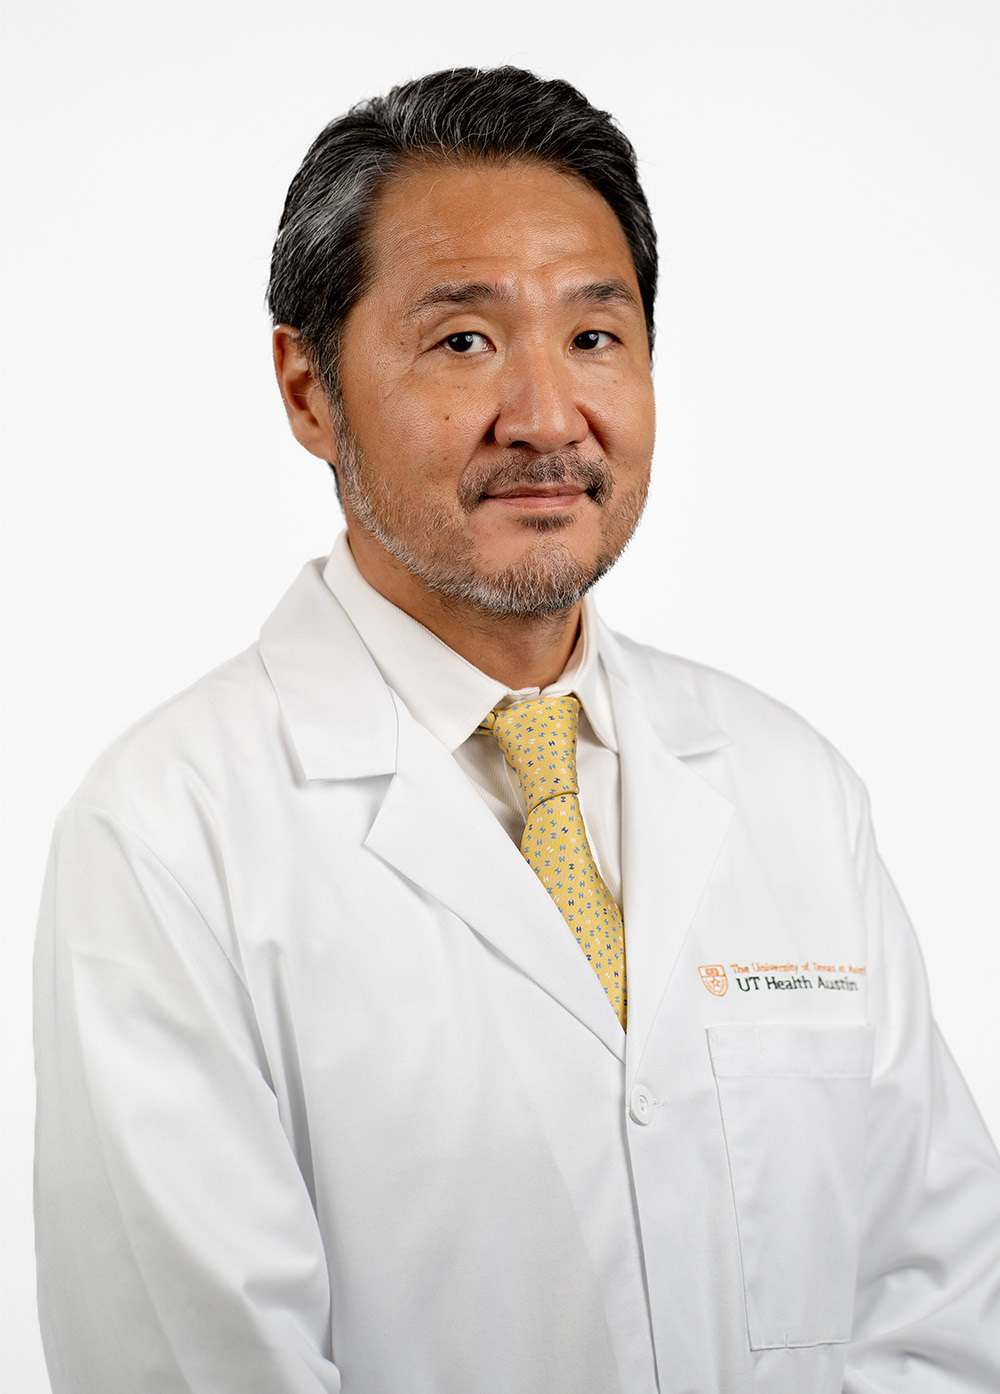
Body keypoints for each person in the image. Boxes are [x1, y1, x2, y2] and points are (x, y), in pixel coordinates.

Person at [33, 66, 1000, 1394]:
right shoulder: (166, 839)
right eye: (465, 341)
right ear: (309, 390)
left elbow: (943, 1310)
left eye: (596, 338)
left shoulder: (791, 791)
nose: (548, 418)